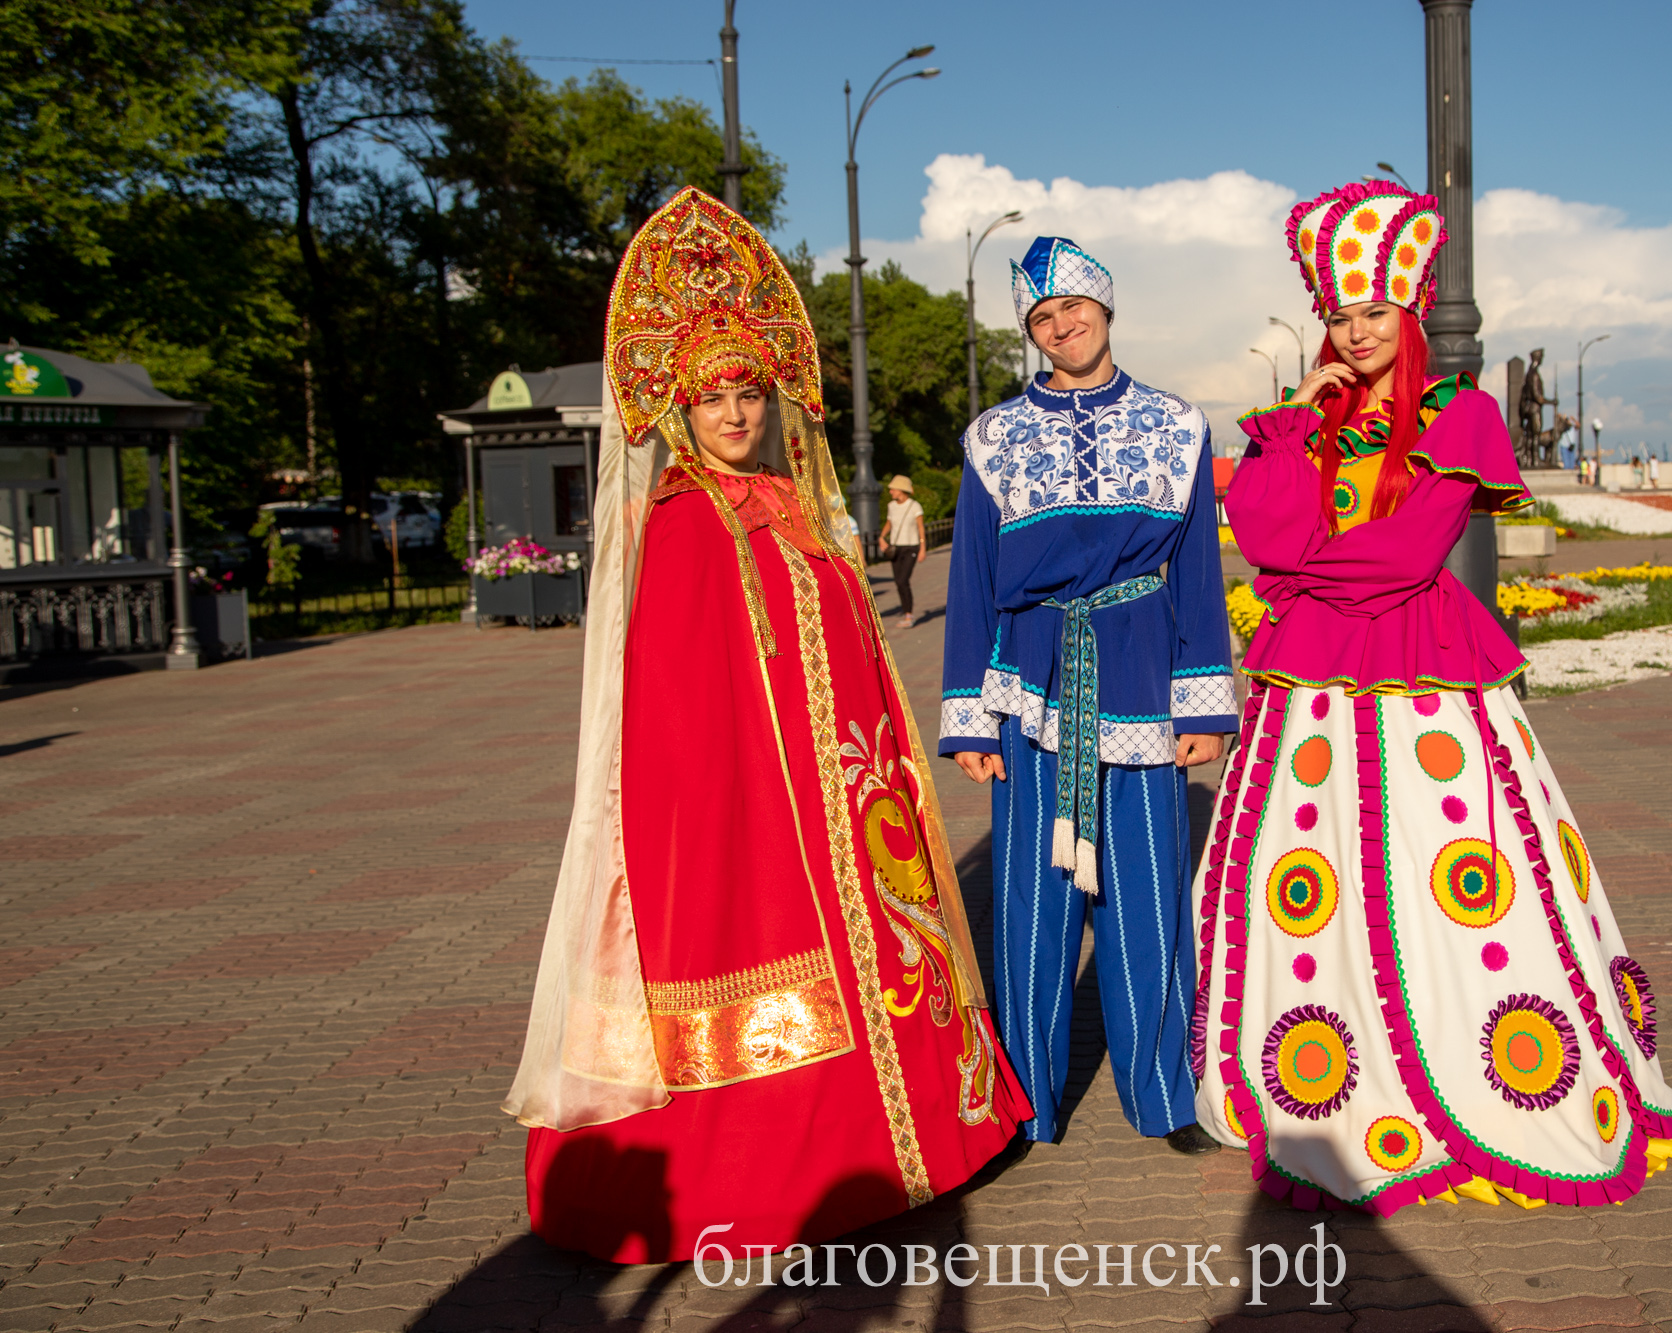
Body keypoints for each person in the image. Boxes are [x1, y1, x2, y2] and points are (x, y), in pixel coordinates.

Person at [507, 189, 1027, 1264]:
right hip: (747, 815)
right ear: (679, 413)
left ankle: (920, 1136)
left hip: (855, 801)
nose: (736, 415)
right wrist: (730, 809)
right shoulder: (686, 526)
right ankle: (767, 1174)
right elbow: (679, 707)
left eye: (749, 393)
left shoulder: (804, 511)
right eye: (712, 399)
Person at [1191, 180, 1672, 1218]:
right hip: (1312, 700)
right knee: (1318, 868)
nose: (1355, 330)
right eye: (1339, 314)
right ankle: (1338, 1061)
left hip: (1424, 681)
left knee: (1446, 867)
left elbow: (1401, 556)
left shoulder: (1457, 416)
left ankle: (1470, 1057)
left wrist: (1303, 573)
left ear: (1411, 311)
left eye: (1372, 311)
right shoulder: (1304, 427)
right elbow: (1266, 537)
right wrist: (1298, 430)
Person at [939, 235, 1237, 1155]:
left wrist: (1204, 705)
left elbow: (1196, 573)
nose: (1060, 326)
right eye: (1041, 318)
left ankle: (1164, 1094)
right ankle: (1027, 1103)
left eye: (1072, 307)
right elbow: (974, 581)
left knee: (1148, 895)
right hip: (1032, 684)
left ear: (1104, 309)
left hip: (1145, 677)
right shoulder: (992, 437)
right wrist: (970, 719)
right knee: (1032, 901)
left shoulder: (1178, 425)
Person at [878, 474, 927, 628]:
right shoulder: (891, 506)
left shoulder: (914, 506)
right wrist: (881, 537)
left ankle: (908, 615)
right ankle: (907, 612)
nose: (891, 492)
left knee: (902, 580)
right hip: (896, 547)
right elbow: (889, 523)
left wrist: (922, 548)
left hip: (911, 547)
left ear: (901, 490)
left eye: (893, 489)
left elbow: (920, 527)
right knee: (898, 582)